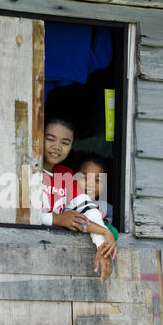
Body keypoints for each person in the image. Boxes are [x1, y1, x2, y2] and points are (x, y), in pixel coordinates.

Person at [42, 118, 117, 283]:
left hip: (59, 262)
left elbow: (88, 210)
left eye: (65, 142)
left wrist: (103, 239)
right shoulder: (28, 169)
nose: (57, 146)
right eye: (50, 139)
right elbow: (21, 216)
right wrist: (57, 219)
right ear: (39, 137)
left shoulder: (65, 174)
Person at [73, 152, 119, 241]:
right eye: (85, 178)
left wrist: (103, 222)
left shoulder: (107, 209)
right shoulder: (67, 205)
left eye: (97, 180)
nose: (91, 184)